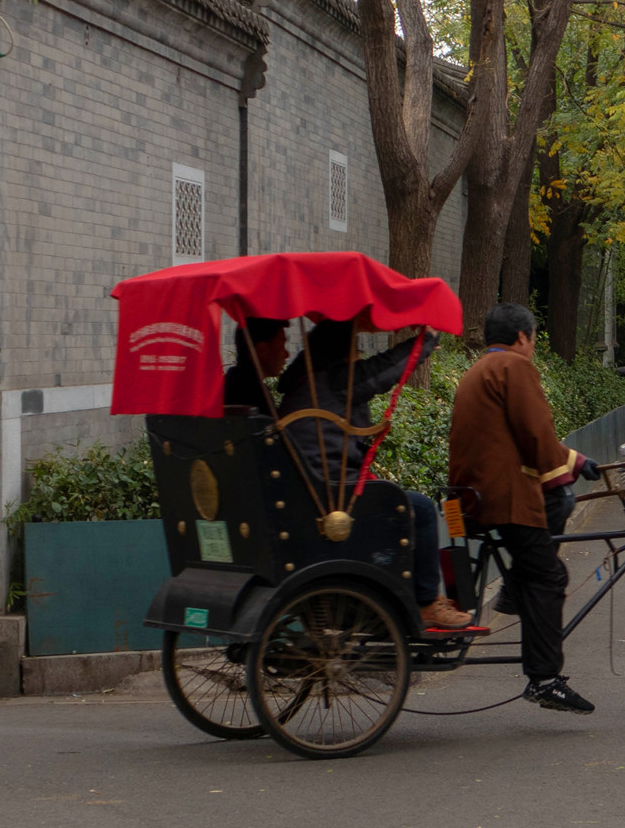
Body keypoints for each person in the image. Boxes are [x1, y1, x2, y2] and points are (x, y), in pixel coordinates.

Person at [447, 302, 602, 713]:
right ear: (521, 338)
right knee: (549, 577)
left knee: (542, 548)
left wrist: (571, 462)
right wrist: (576, 463)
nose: (531, 347)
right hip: (504, 496)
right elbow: (537, 435)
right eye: (532, 340)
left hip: (472, 494)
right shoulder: (514, 368)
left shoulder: (479, 369)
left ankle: (517, 588)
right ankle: (545, 678)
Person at [276, 320, 473, 633]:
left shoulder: (301, 384)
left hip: (312, 493)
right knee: (420, 509)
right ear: (342, 351)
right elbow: (383, 371)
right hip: (334, 498)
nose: (358, 356)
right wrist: (425, 341)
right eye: (355, 348)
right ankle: (425, 603)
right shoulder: (336, 380)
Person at [221, 316, 290, 409]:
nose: (287, 354)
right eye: (282, 346)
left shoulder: (230, 382)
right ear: (262, 350)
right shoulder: (254, 394)